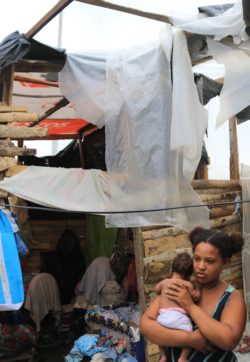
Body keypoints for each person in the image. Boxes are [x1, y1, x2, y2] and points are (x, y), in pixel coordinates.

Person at [140, 226, 247, 361]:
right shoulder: (180, 287)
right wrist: (190, 339)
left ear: (225, 262)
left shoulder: (232, 298)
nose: (201, 266)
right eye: (197, 259)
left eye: (210, 261)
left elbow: (229, 340)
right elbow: (146, 326)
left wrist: (190, 307)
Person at [155, 252, 201, 362]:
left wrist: (161, 290)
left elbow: (156, 289)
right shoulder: (187, 284)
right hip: (179, 319)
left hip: (163, 318)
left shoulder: (165, 282)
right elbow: (196, 297)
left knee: (158, 337)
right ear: (189, 276)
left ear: (171, 271)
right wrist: (198, 287)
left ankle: (163, 356)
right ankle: (183, 357)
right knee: (190, 334)